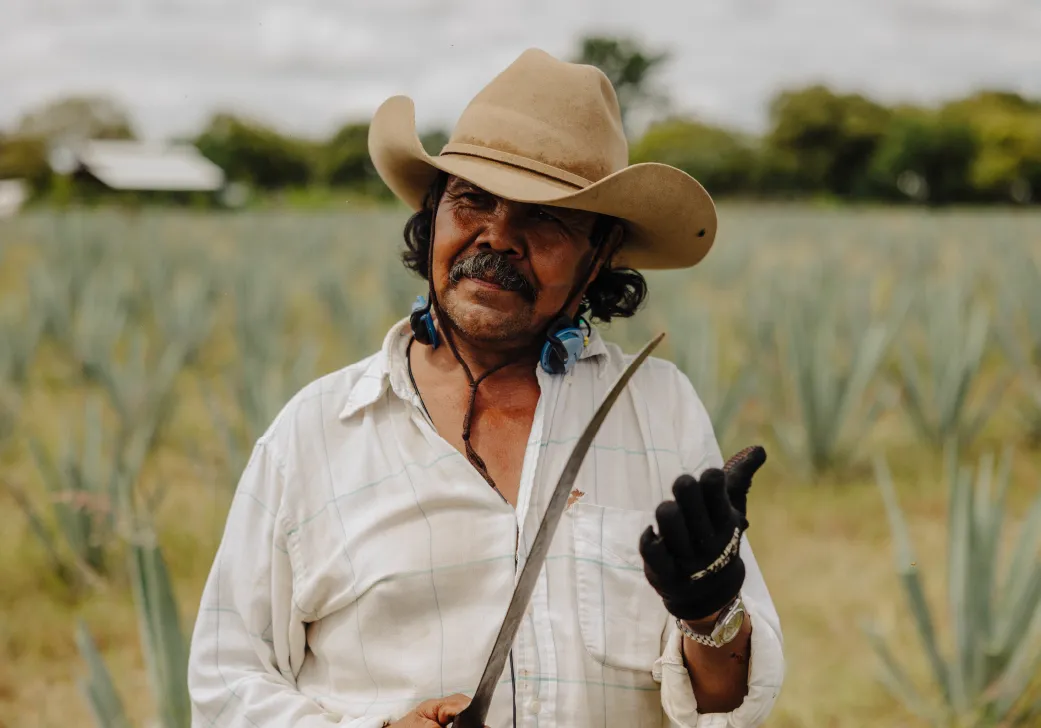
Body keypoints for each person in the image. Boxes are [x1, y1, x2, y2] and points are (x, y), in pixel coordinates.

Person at [187, 48, 784, 728]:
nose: (498, 237)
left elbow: (729, 705)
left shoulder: (659, 409)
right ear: (432, 214)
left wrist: (708, 612)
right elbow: (225, 681)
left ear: (599, 259)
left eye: (546, 218)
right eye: (473, 200)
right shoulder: (318, 430)